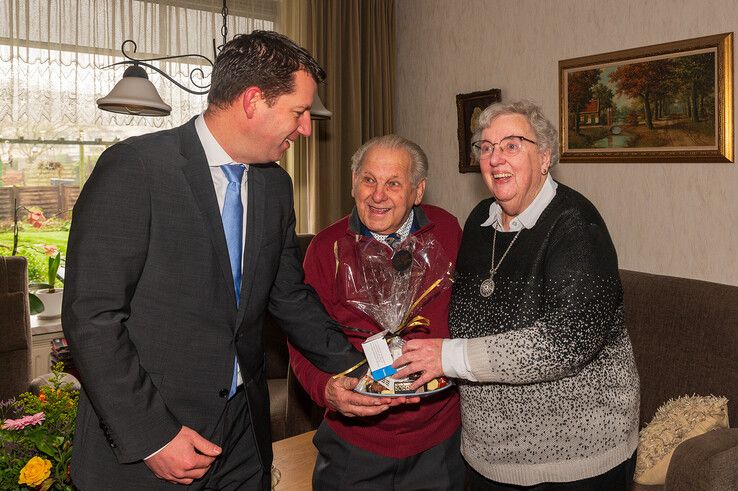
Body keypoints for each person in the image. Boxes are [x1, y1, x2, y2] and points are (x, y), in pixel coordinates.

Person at [62, 31, 373, 490]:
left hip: (243, 439)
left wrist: (362, 371)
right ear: (252, 101)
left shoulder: (274, 186)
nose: (307, 128)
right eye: (299, 112)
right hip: (153, 444)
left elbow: (288, 296)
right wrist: (154, 437)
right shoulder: (136, 168)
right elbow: (92, 318)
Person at [393, 101, 640, 490]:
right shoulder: (479, 221)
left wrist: (447, 356)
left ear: (544, 157)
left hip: (572, 463)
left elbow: (566, 342)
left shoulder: (577, 226)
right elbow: (466, 316)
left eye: (511, 145)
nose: (495, 158)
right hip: (485, 456)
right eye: (486, 147)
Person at [288, 134, 465, 490]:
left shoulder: (447, 231)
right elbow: (300, 339)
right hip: (354, 444)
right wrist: (326, 389)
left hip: (439, 441)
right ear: (354, 183)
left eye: (393, 183)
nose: (378, 194)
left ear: (418, 191)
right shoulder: (326, 247)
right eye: (369, 179)